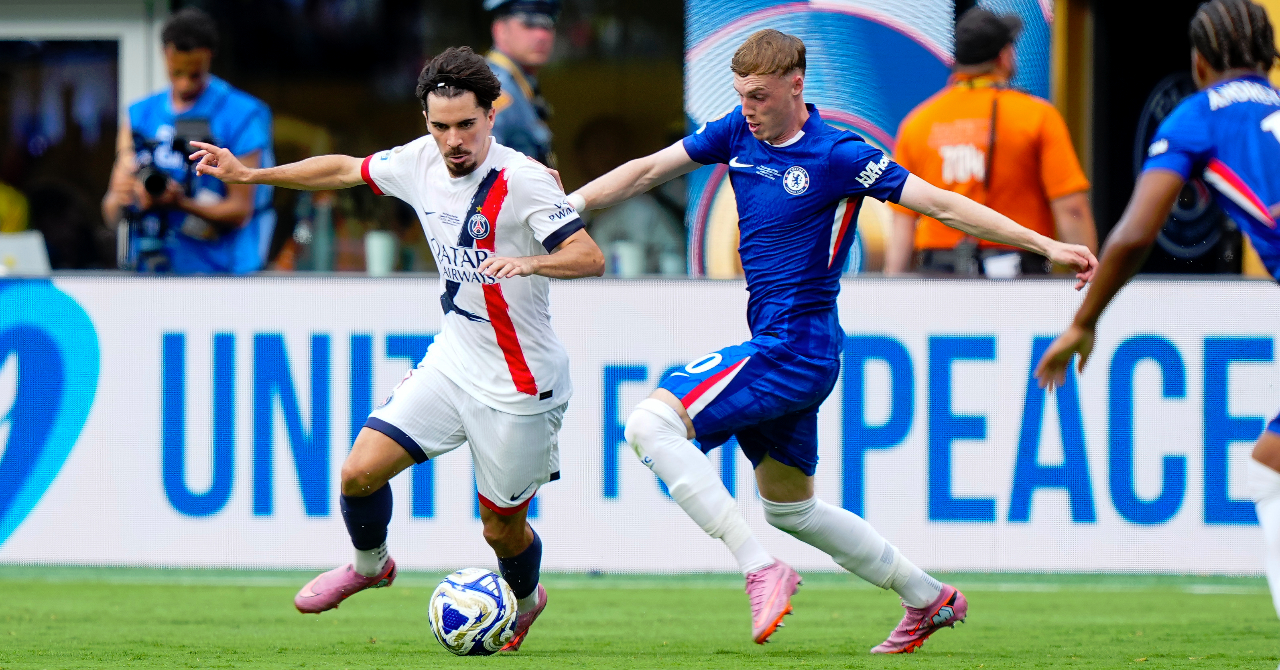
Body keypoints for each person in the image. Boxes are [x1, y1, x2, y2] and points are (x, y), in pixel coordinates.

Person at [567, 29, 1096, 650]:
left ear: (796, 85)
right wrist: (567, 206)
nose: (747, 109)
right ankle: (928, 598)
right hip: (788, 348)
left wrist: (1045, 244)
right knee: (791, 508)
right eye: (740, 96)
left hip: (794, 348)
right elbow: (649, 170)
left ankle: (759, 568)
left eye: (759, 96)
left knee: (649, 425)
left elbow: (940, 205)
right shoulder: (736, 132)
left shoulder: (840, 155)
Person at [189, 46, 604, 651]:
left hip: (520, 384)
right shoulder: (419, 161)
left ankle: (526, 597)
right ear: (426, 122)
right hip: (454, 360)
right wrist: (251, 176)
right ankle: (370, 565)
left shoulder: (526, 181)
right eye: (441, 126)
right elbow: (342, 170)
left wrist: (530, 262)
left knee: (500, 531)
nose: (454, 140)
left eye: (467, 124)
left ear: (492, 115)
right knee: (358, 473)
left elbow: (589, 256)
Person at [1035, 0, 1280, 625]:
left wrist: (1083, 321)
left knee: (1271, 472)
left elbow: (1135, 234)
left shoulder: (1200, 117)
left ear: (1199, 64)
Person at [884, 8, 1096, 278]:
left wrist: (892, 283)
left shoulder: (917, 123)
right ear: (1004, 56)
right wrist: (1090, 279)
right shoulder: (1037, 116)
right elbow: (1072, 209)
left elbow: (903, 225)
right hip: (1018, 274)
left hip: (938, 276)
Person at [101, 7, 275, 274]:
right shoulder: (139, 114)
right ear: (164, 54)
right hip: (150, 268)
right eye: (176, 72)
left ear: (210, 56)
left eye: (194, 74)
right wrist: (126, 193)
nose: (184, 84)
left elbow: (240, 210)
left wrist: (179, 203)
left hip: (221, 273)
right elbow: (111, 212)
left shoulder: (242, 115)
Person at [484, 0, 558, 167]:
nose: (541, 35)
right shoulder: (494, 88)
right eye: (528, 25)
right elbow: (483, 171)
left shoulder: (520, 83)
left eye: (547, 26)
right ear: (500, 30)